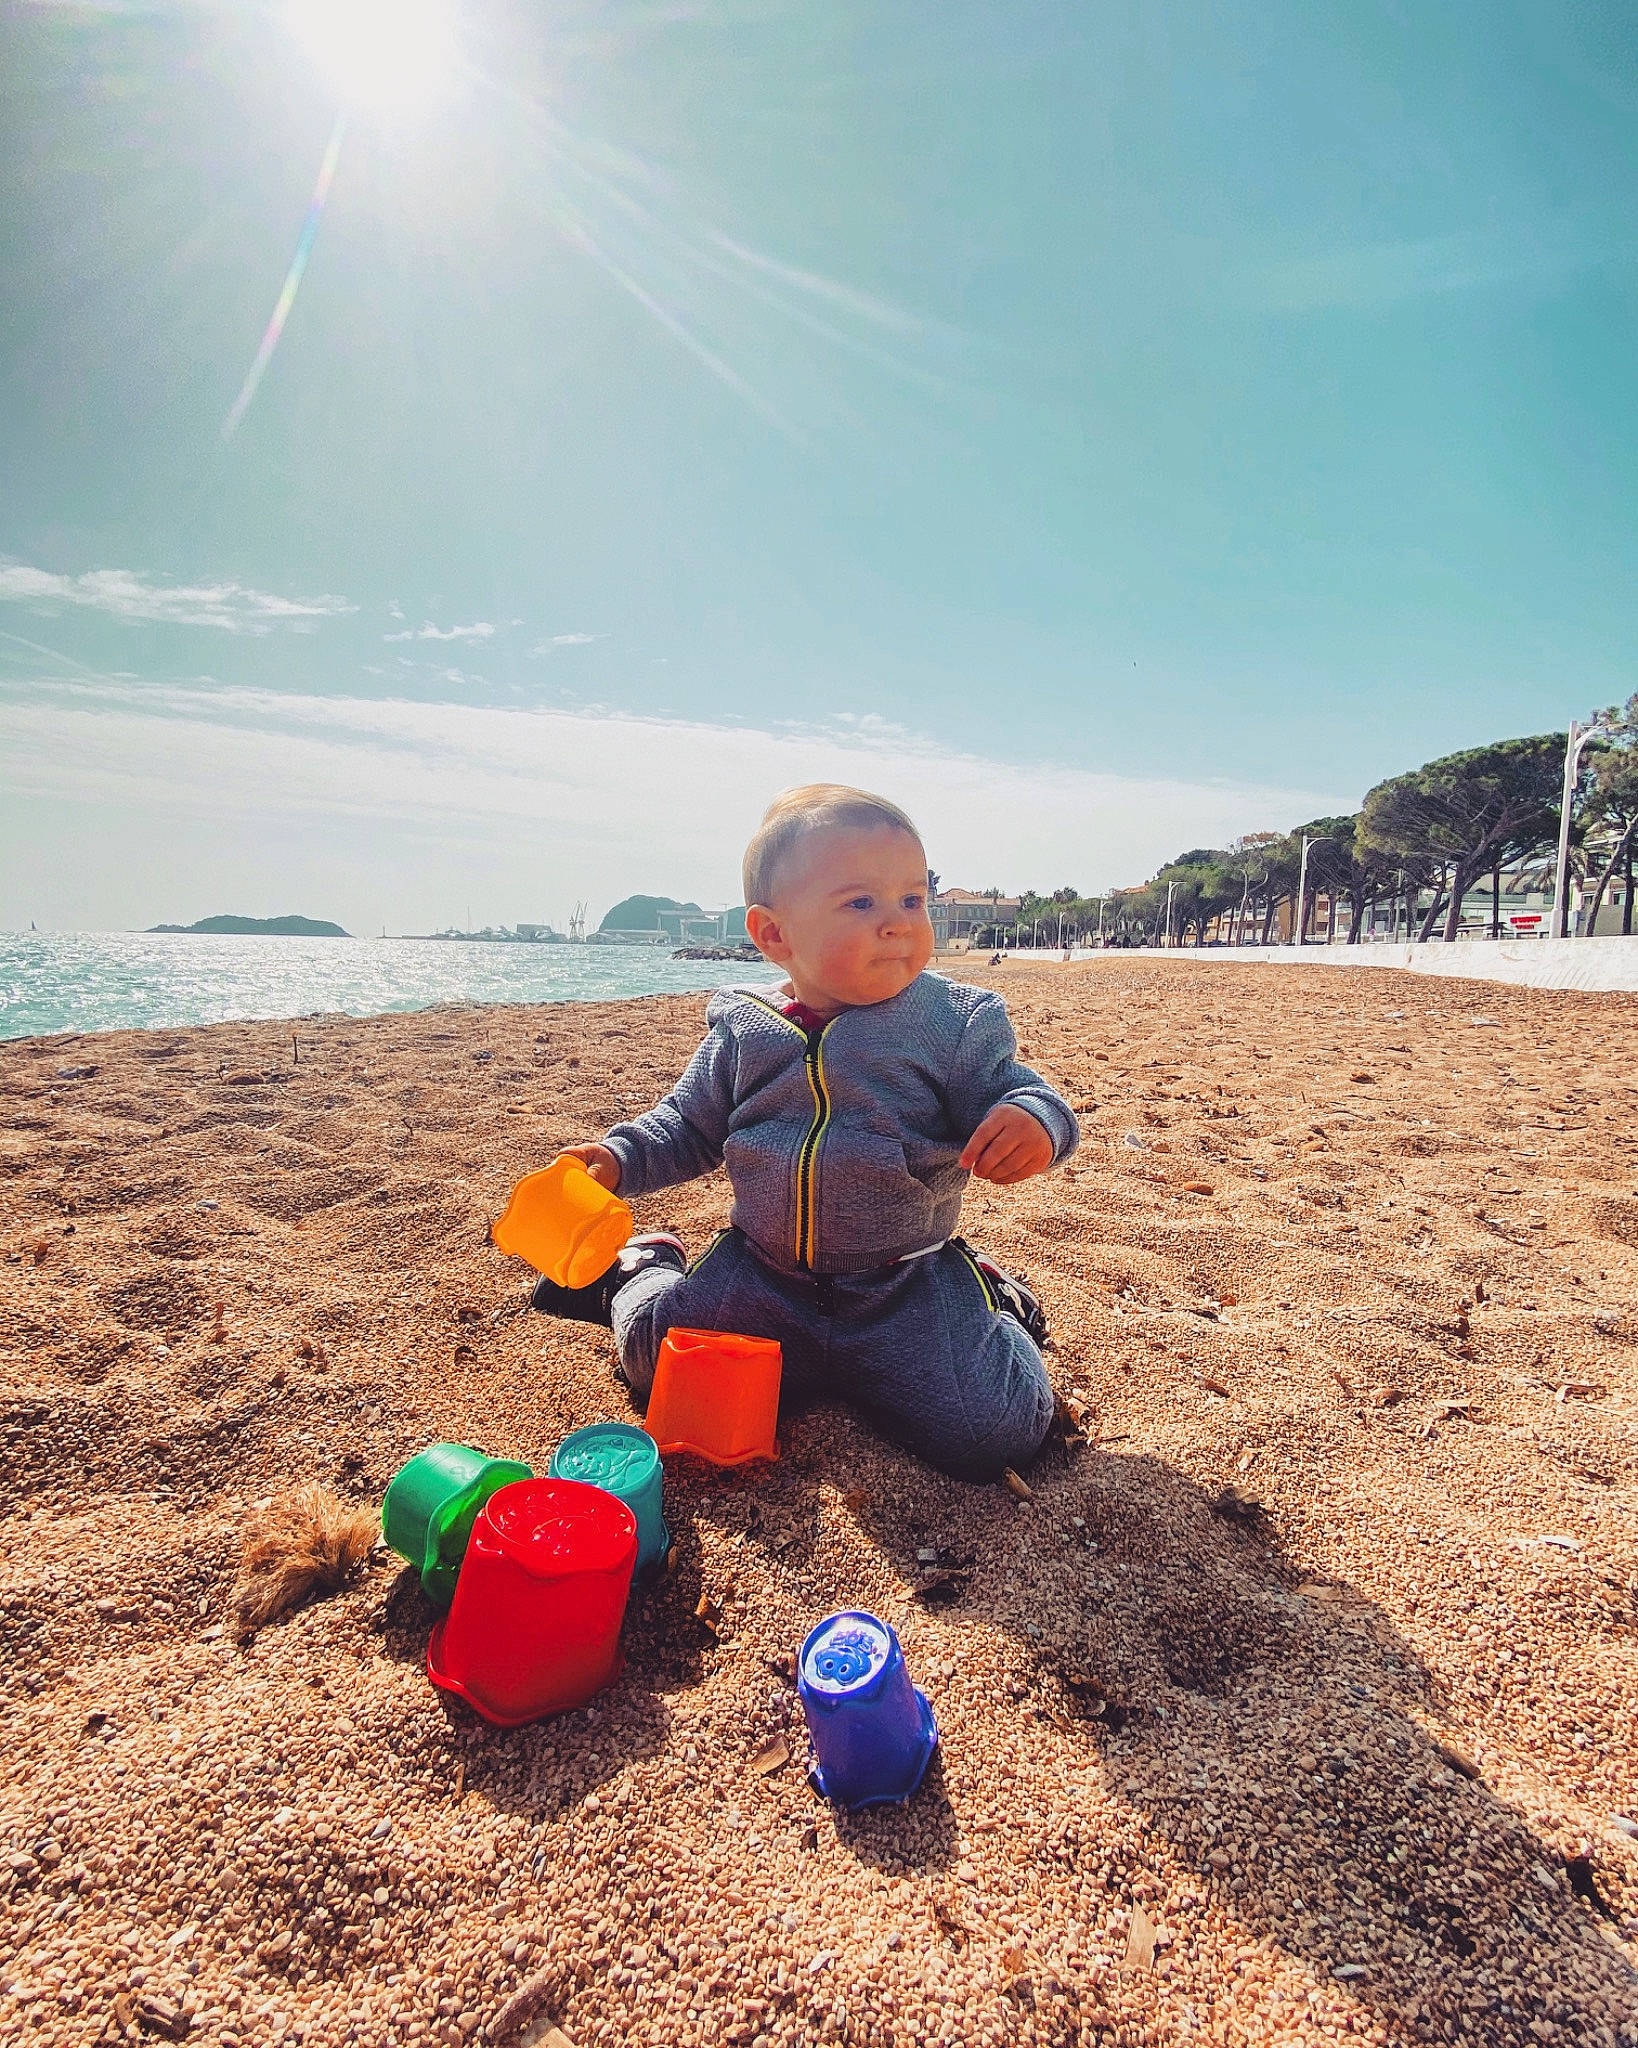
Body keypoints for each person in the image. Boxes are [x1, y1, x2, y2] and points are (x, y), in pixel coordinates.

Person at [528, 784, 1079, 1481]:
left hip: (904, 1285)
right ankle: (644, 1267)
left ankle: (996, 1306)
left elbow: (1023, 1090)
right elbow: (686, 1125)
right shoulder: (745, 1028)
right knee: (649, 1363)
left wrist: (1035, 1121)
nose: (899, 923)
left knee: (994, 1432)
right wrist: (615, 1157)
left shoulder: (955, 1023)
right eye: (862, 903)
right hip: (763, 1277)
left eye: (913, 899)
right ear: (773, 935)